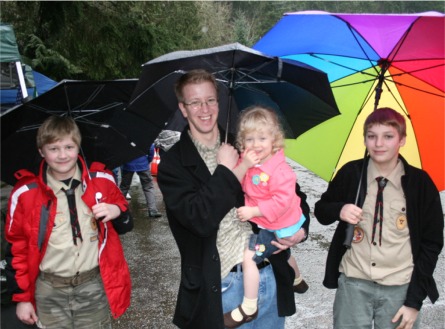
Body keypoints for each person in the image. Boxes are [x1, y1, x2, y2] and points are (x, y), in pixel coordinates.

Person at [157, 69, 309, 329]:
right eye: (195, 102)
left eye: (210, 100)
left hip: (268, 270)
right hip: (223, 286)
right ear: (183, 108)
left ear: (219, 101)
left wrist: (301, 231)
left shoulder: (246, 144)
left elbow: (293, 193)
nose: (204, 109)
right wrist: (229, 171)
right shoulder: (173, 165)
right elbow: (199, 219)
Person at [314, 107, 443, 329]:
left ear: (402, 140)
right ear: (364, 139)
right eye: (371, 136)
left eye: (388, 136)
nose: (378, 144)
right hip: (354, 283)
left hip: (400, 288)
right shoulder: (351, 173)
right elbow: (321, 211)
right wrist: (340, 209)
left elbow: (432, 244)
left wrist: (414, 302)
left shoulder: (420, 184)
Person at [4, 116, 133, 328]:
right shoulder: (25, 193)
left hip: (92, 285)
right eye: (53, 149)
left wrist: (118, 210)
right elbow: (16, 250)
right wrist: (22, 298)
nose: (62, 155)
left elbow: (127, 225)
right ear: (41, 152)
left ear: (78, 146)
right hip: (49, 290)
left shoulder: (101, 180)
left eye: (69, 146)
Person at [223, 106, 308, 327]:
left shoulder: (280, 170)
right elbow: (241, 184)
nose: (256, 144)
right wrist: (242, 166)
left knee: (250, 258)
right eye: (249, 139)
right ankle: (297, 280)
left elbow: (282, 201)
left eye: (262, 138)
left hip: (279, 222)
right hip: (278, 223)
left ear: (274, 140)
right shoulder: (252, 162)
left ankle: (248, 306)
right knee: (284, 251)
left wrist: (254, 211)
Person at [119, 143, 161, 218]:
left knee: (124, 187)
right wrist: (148, 160)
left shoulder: (124, 134)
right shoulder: (144, 133)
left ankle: (119, 209)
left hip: (128, 164)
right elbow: (151, 148)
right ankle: (152, 210)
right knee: (148, 187)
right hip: (143, 163)